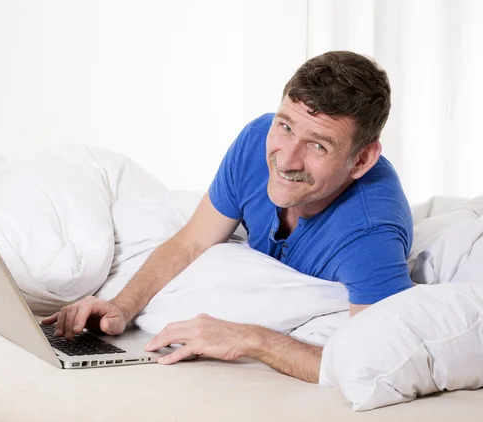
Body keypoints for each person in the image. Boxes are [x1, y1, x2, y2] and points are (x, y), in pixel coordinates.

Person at [42, 51, 413, 383]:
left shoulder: (370, 232)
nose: (285, 160)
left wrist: (250, 338)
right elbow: (192, 242)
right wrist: (120, 308)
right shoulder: (255, 141)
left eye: (318, 145)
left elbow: (375, 361)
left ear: (362, 160)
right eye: (285, 126)